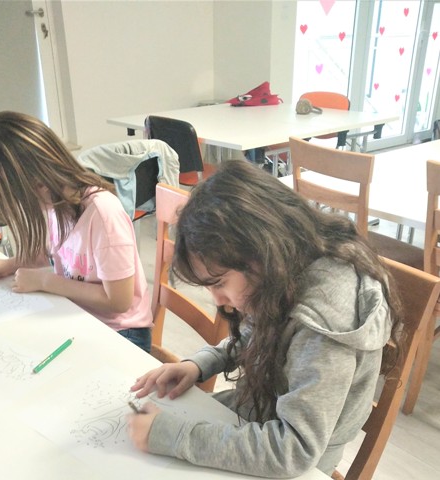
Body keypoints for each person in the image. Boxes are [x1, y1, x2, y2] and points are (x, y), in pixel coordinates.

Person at [127, 160, 402, 477]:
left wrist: (175, 437)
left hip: (296, 458)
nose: (218, 301)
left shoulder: (324, 326)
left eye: (219, 284)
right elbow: (259, 335)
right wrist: (201, 364)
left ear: (260, 254)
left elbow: (295, 450)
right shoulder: (284, 272)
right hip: (258, 413)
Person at [0, 111, 152, 352]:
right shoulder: (53, 205)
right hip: (79, 315)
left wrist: (45, 281)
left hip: (122, 332)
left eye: (16, 200)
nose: (19, 208)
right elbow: (53, 255)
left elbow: (118, 301)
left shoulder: (103, 214)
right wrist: (8, 265)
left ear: (39, 183)